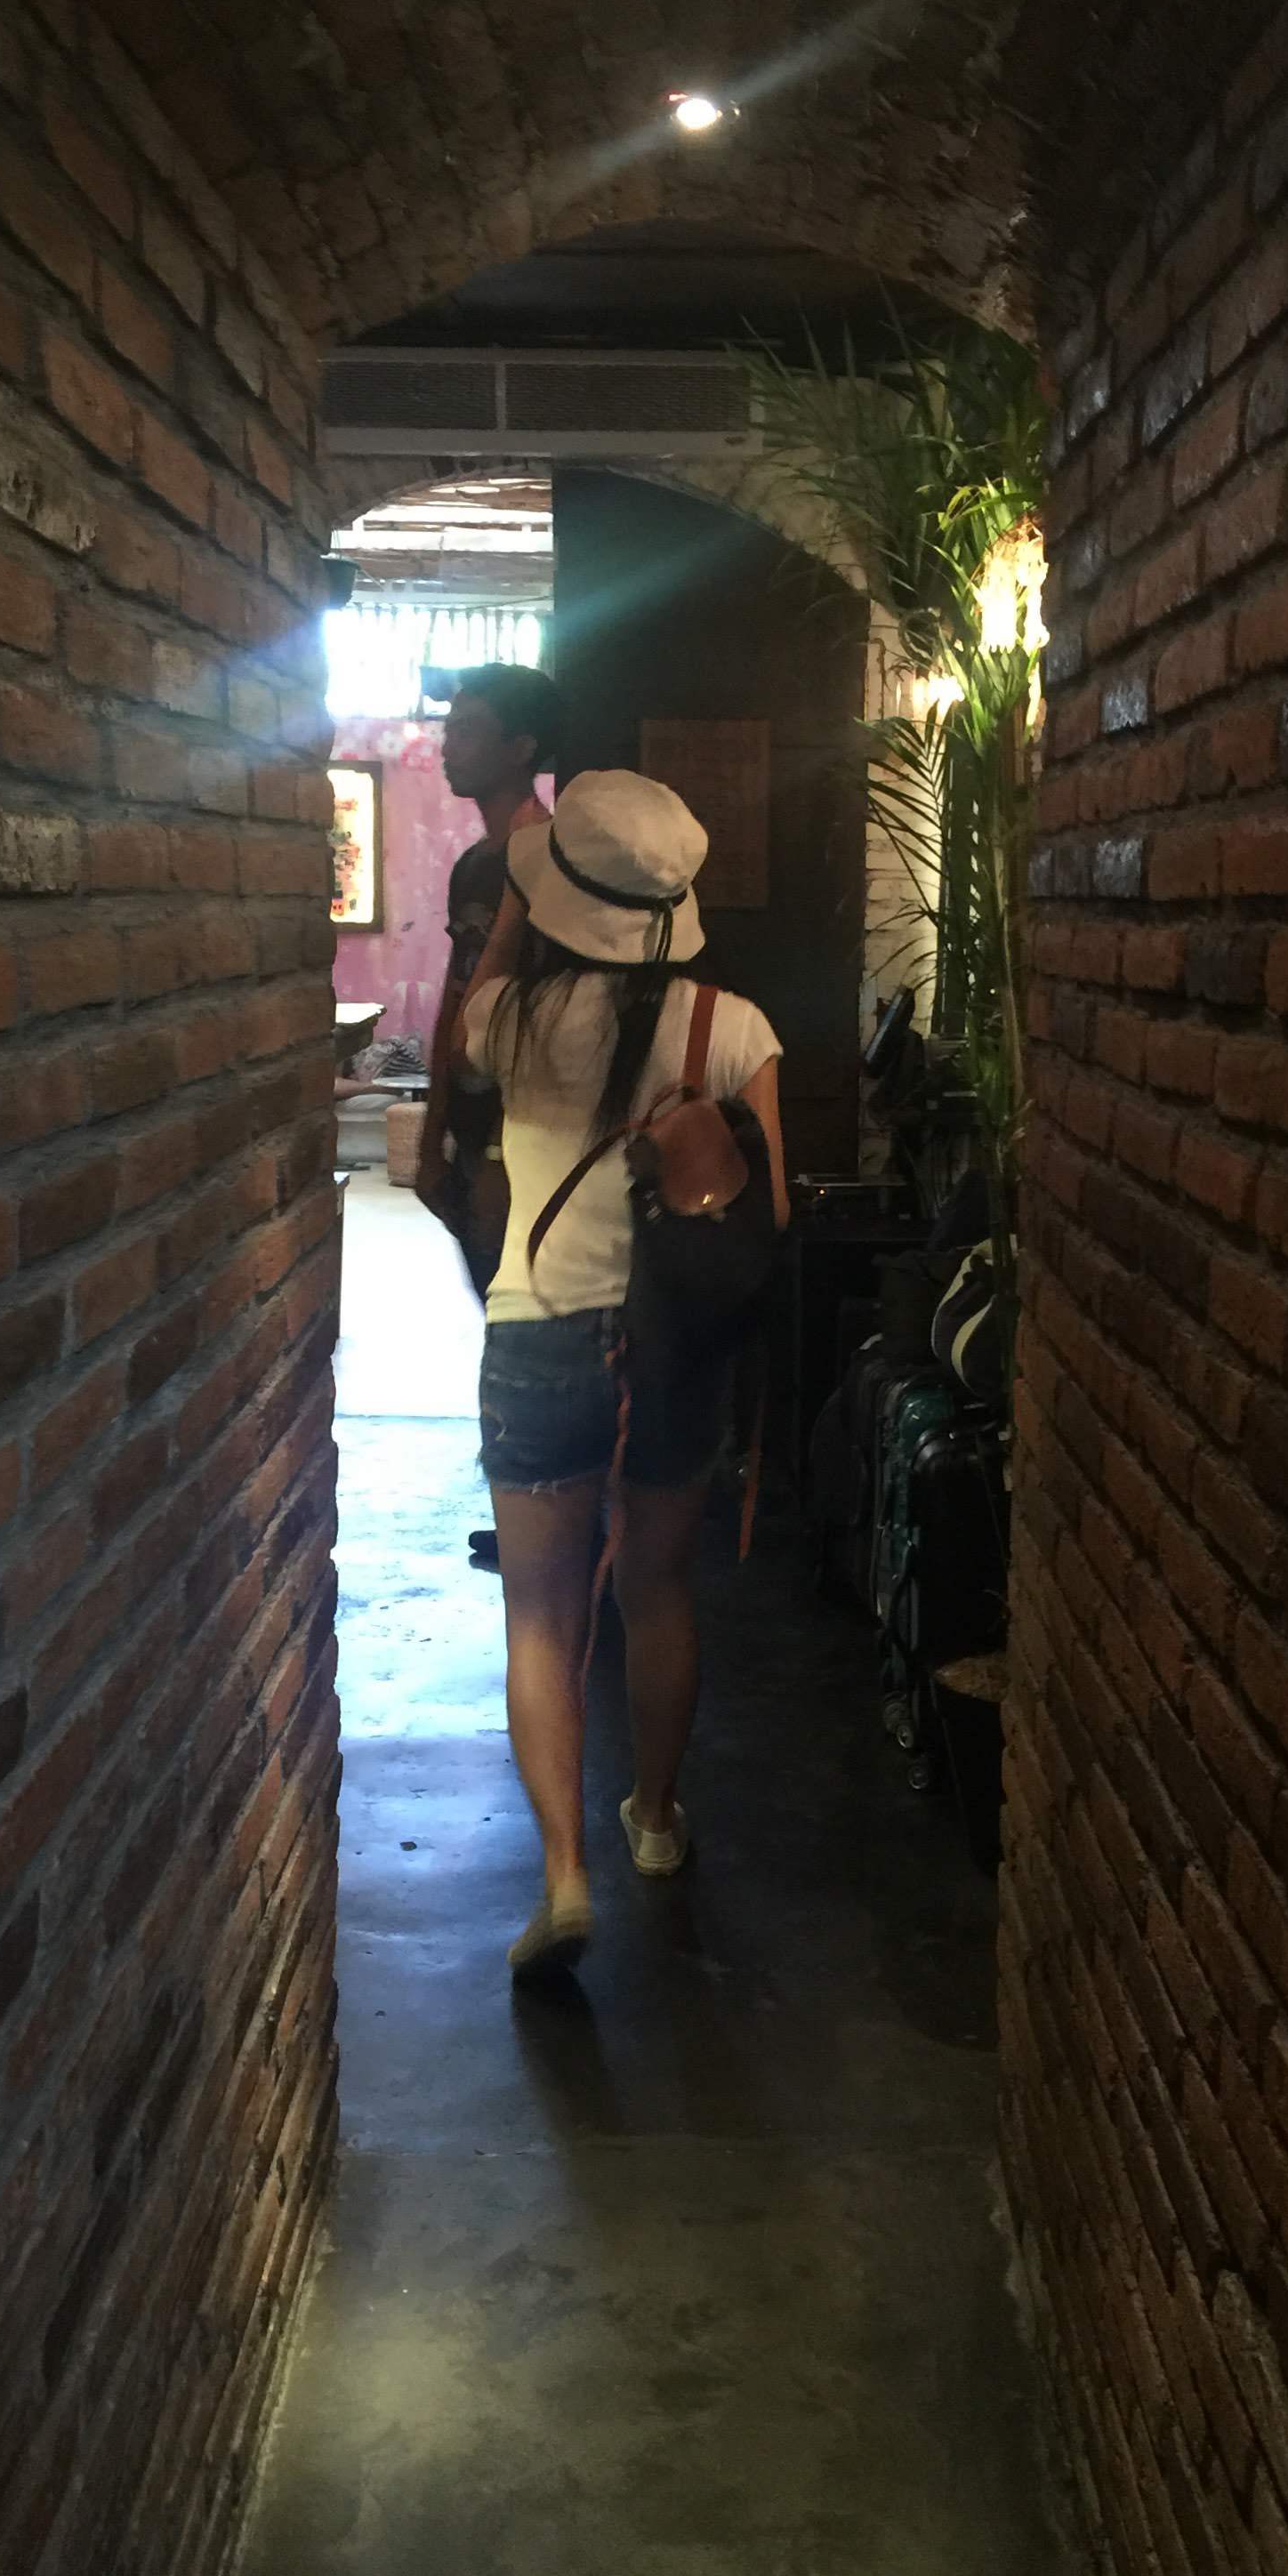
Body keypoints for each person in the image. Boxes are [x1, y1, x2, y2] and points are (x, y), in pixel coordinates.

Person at [455, 770, 790, 1982]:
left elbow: (474, 1002)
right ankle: (650, 1817)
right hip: (672, 1345)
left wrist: (519, 887)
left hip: (539, 1332)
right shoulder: (734, 1029)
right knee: (655, 1589)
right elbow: (768, 1214)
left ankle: (562, 1874)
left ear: (562, 898)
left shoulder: (512, 1019)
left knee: (540, 1615)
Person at [415, 661, 562, 1571]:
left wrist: (502, 1145)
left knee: (527, 1320)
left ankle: (547, 1515)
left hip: (529, 1128)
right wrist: (435, 1128)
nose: (447, 743)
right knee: (501, 1313)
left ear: (521, 747)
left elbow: (549, 1015)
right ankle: (525, 1507)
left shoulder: (552, 859)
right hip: (478, 1125)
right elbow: (454, 997)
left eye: (468, 728)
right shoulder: (481, 862)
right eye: (450, 726)